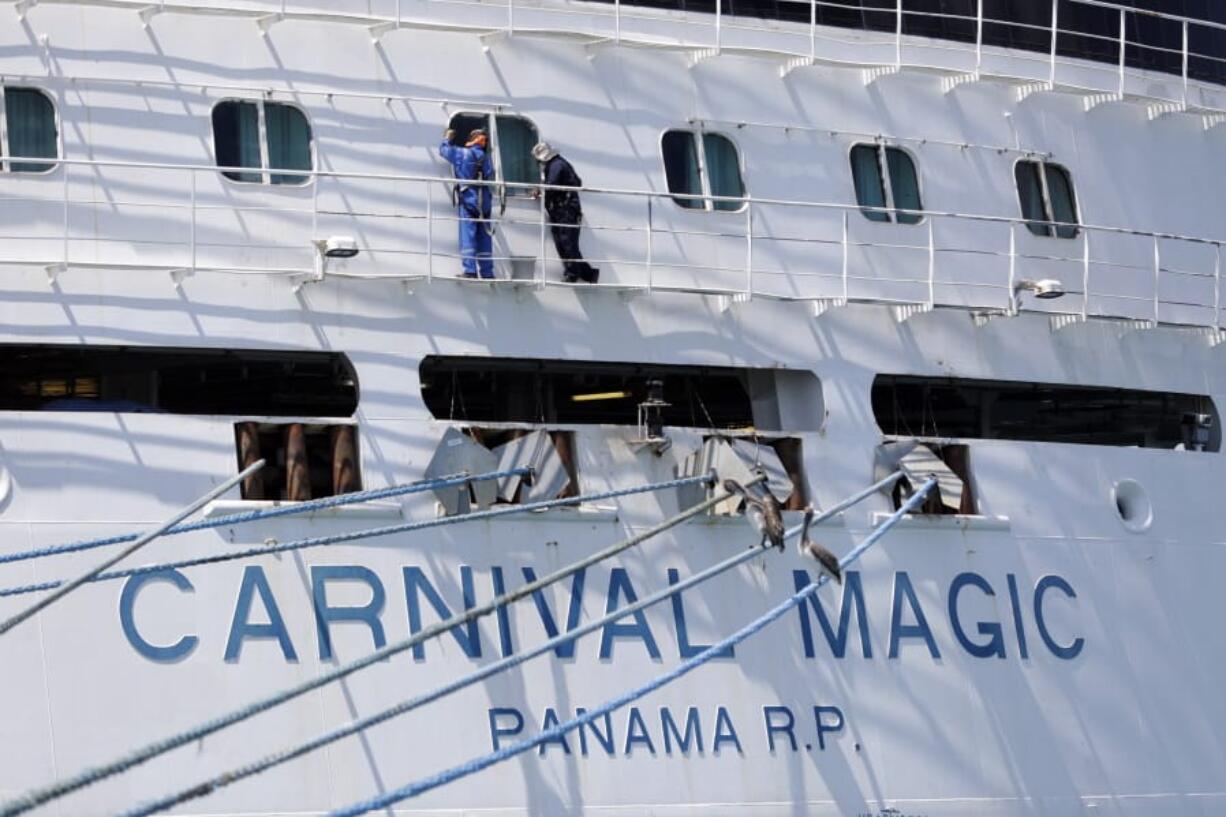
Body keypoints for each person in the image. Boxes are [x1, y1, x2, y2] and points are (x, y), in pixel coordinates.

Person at [532, 142, 599, 283]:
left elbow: (552, 185)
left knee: (567, 242)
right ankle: (586, 274)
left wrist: (540, 190)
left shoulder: (557, 165)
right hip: (561, 210)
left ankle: (575, 273)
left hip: (566, 210)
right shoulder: (558, 164)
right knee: (563, 242)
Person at [439, 127, 495, 279]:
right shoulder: (486, 158)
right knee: (485, 236)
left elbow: (444, 151)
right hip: (485, 200)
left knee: (468, 235)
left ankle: (470, 271)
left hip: (469, 198)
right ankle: (487, 272)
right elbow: (489, 173)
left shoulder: (462, 153)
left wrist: (447, 139)